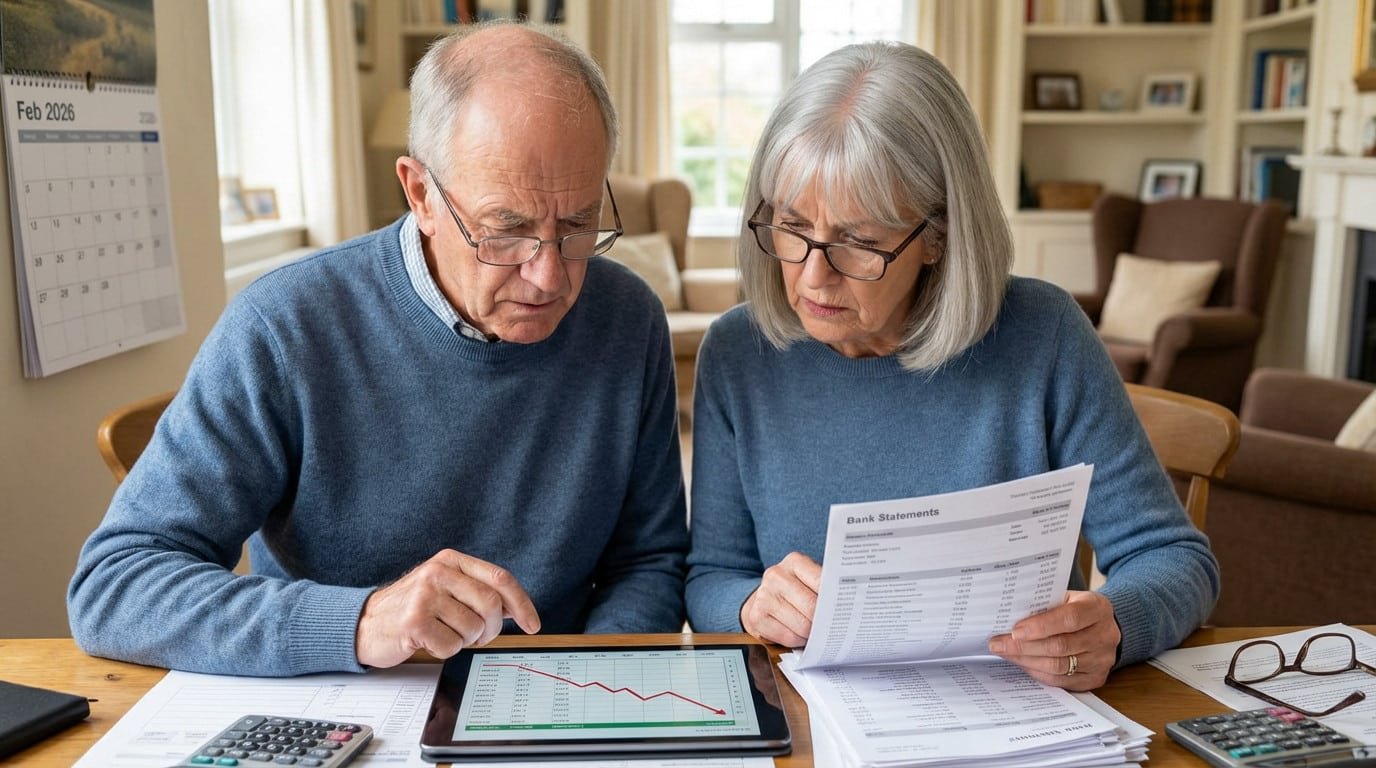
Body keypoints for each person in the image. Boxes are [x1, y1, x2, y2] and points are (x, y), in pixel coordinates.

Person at [68, 22, 689, 676]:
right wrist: (360, 621)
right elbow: (115, 586)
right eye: (505, 233)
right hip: (343, 700)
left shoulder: (627, 319)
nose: (549, 275)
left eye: (577, 225)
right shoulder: (285, 324)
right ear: (419, 193)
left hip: (558, 699)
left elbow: (648, 561)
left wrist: (592, 684)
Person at [684, 41, 1219, 691]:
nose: (813, 277)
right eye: (791, 228)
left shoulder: (1042, 334)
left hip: (1022, 717)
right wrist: (750, 605)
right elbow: (711, 575)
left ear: (938, 234)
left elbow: (1173, 557)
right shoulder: (739, 354)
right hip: (821, 725)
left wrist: (1114, 622)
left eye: (859, 242)